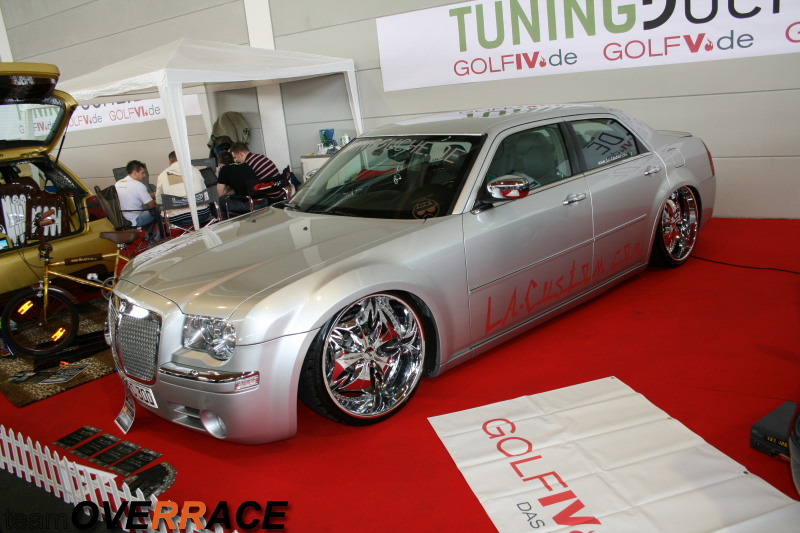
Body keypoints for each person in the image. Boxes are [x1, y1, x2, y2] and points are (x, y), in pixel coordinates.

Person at [155, 151, 212, 229]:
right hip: (201, 214)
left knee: (158, 208)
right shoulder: (195, 171)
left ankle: (163, 235)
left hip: (177, 218)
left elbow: (159, 201)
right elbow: (205, 192)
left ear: (170, 162)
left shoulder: (162, 175)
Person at [115, 160, 161, 240]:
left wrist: (153, 194)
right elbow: (151, 205)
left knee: (149, 211)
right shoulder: (138, 185)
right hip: (135, 219)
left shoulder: (118, 183)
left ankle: (149, 236)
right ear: (135, 173)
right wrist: (160, 203)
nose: (144, 176)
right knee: (159, 210)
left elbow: (133, 195)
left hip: (122, 219)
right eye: (142, 173)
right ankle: (158, 238)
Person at [216, 150, 259, 218]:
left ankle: (226, 223)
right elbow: (241, 187)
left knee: (220, 201)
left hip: (250, 205)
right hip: (261, 201)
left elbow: (220, 194)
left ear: (221, 164)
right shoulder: (244, 164)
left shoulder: (224, 169)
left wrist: (226, 192)